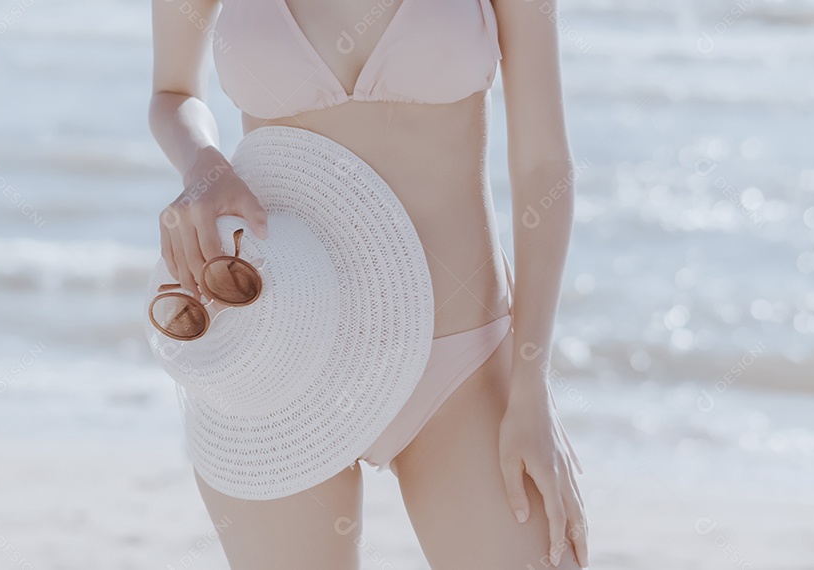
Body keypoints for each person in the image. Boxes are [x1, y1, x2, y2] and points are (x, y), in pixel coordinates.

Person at [147, 0, 587, 567]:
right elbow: (173, 94)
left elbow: (542, 167)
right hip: (276, 353)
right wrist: (202, 163)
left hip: (461, 364)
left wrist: (531, 387)